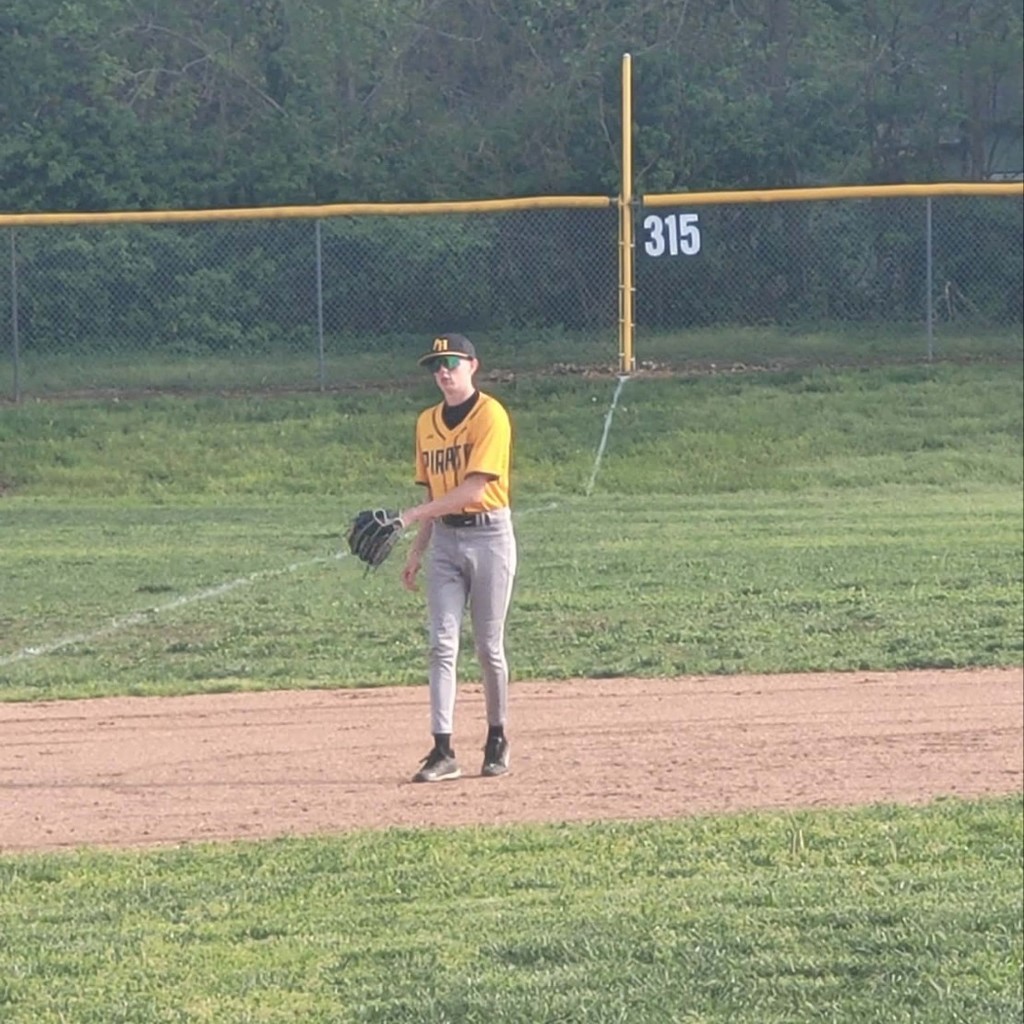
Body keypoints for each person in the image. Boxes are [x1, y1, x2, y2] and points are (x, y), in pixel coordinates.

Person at [398, 333, 518, 783]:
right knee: (441, 644)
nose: (443, 372)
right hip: (445, 541)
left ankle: (497, 738)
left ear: (473, 365)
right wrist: (418, 549)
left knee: (489, 648)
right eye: (436, 365)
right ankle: (443, 749)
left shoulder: (492, 415)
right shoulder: (426, 421)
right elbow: (436, 492)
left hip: (490, 536)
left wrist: (410, 516)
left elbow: (473, 490)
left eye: (451, 362)